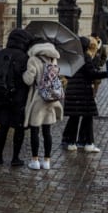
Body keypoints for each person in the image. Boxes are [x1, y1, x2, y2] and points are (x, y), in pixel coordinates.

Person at [0, 28, 33, 166]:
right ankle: (15, 158)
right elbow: (27, 79)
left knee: (3, 127)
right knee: (18, 129)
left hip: (1, 96)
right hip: (18, 98)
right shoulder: (24, 57)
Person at [61, 36, 108, 153]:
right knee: (88, 117)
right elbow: (91, 74)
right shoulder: (85, 57)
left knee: (74, 118)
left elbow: (67, 75)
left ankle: (70, 142)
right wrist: (107, 74)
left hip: (72, 92)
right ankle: (88, 143)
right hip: (83, 92)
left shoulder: (73, 58)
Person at [22, 40, 63, 170]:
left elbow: (28, 80)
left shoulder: (33, 59)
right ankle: (47, 161)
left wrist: (24, 74)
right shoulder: (53, 59)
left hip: (38, 99)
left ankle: (35, 160)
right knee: (47, 132)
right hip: (51, 99)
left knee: (35, 131)